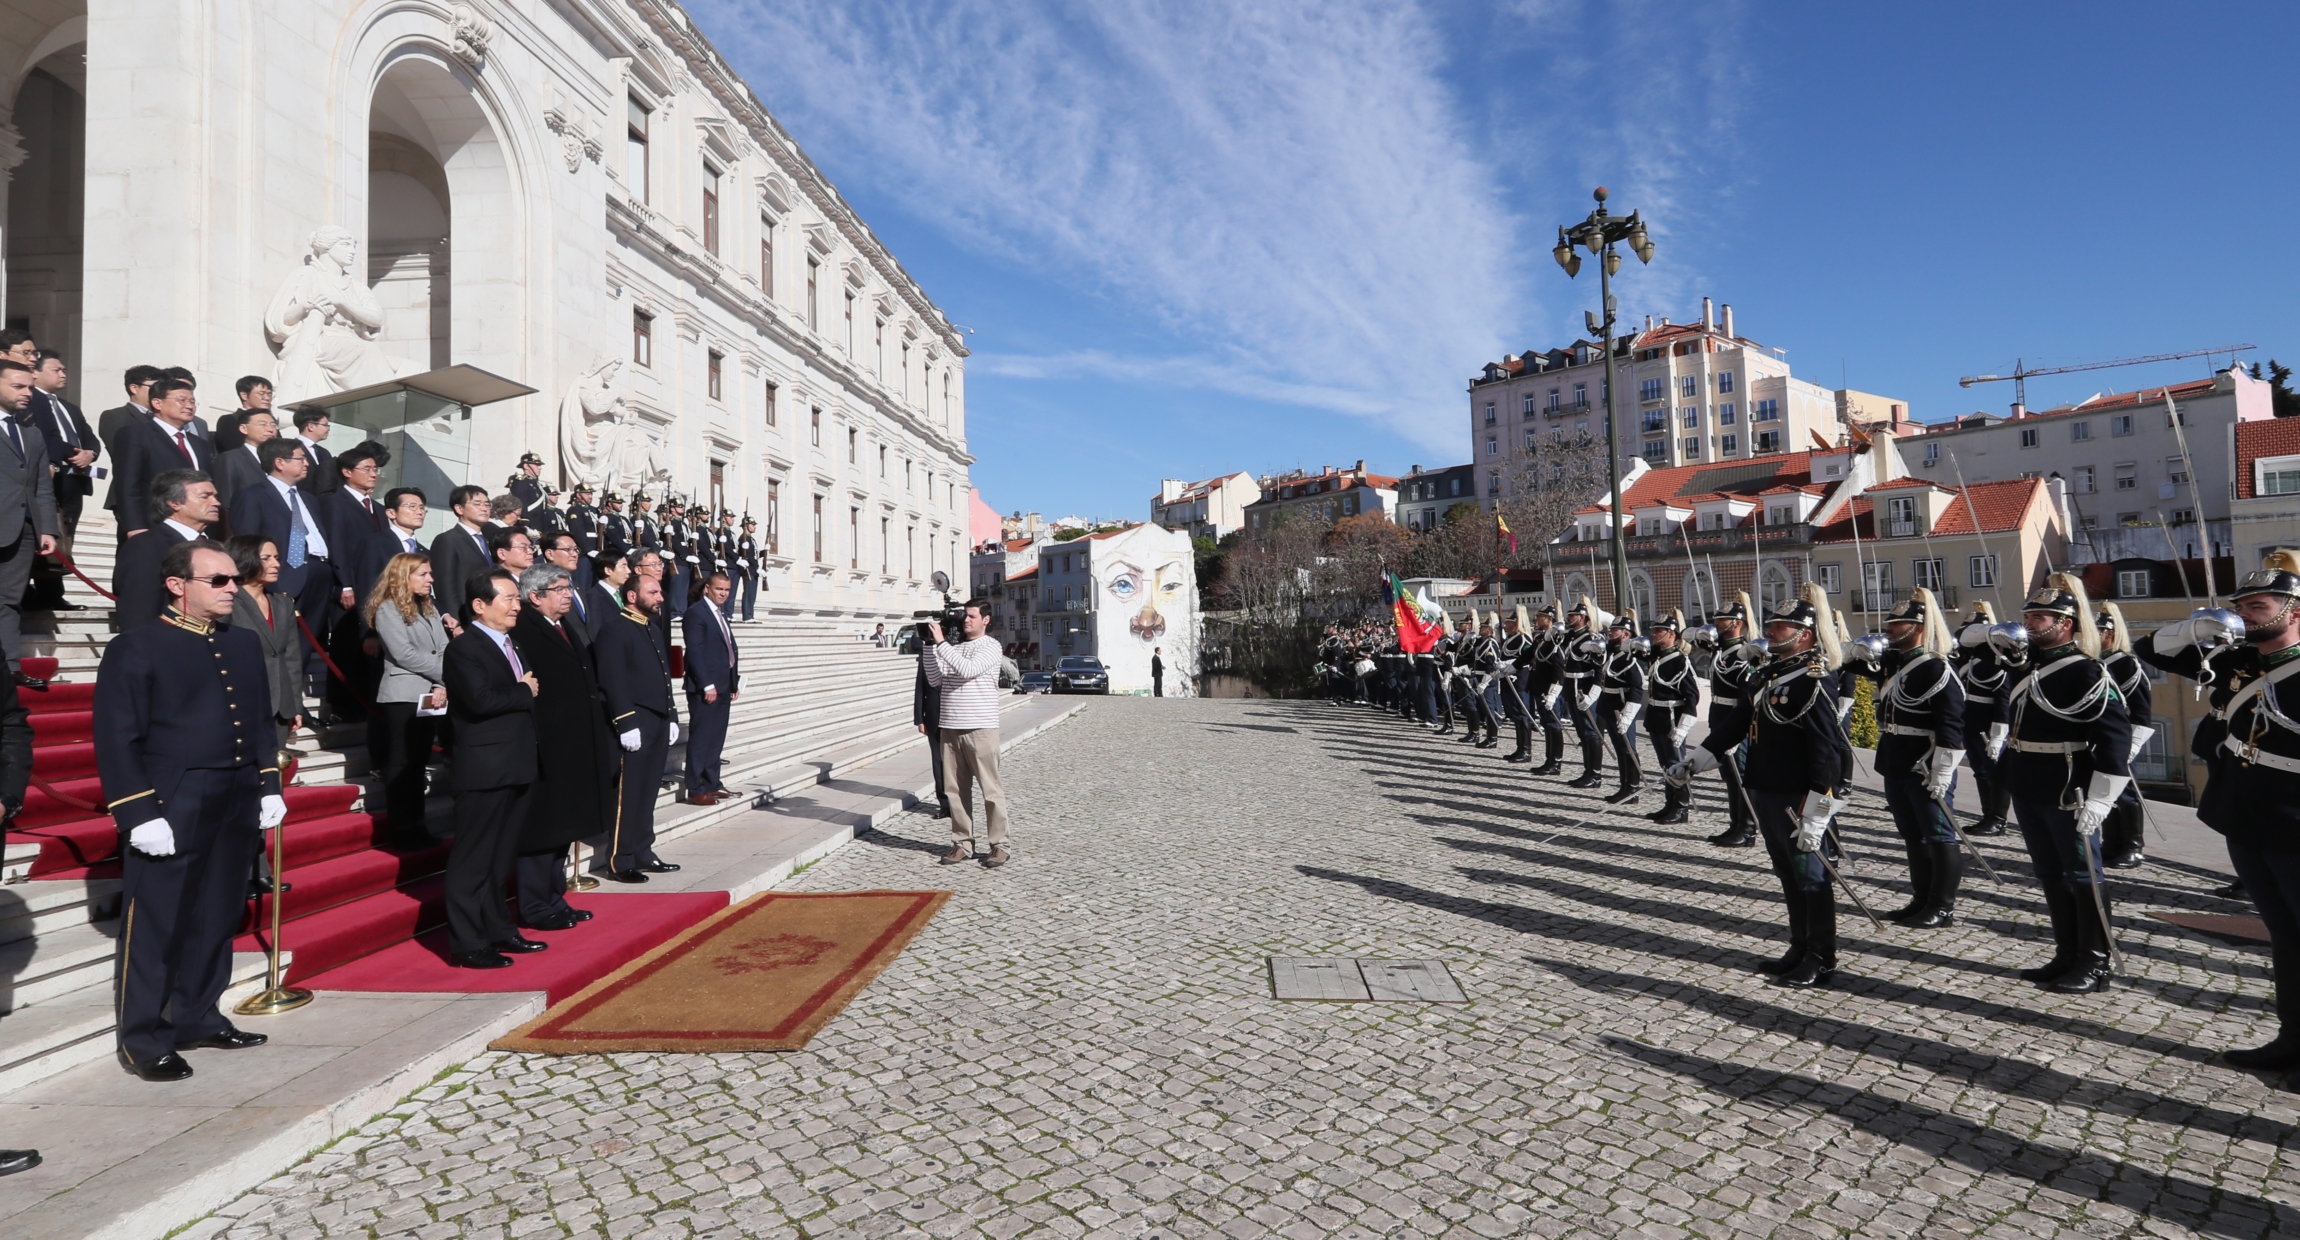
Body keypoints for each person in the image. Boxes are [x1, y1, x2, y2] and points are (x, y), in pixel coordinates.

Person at [96, 540, 288, 1080]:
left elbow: (258, 722)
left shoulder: (244, 645)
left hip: (235, 794)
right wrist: (137, 813)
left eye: (233, 579)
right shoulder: (137, 646)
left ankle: (199, 1016)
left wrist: (268, 782)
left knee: (218, 913)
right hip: (172, 799)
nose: (233, 589)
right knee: (158, 921)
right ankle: (143, 1038)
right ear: (178, 586)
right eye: (219, 581)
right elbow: (117, 738)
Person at [2138, 553, 2300, 1071]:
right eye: (2241, 607)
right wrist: (2193, 626)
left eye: (2258, 606)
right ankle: (2292, 1038)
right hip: (2245, 820)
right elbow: (2150, 650)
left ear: (2294, 610)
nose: (2246, 615)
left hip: (2296, 825)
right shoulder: (2234, 661)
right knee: (2284, 936)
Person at [1672, 584, 1850, 989]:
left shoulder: (1813, 679)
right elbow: (1734, 726)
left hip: (1800, 795)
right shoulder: (1768, 675)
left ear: (1803, 634)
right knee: (1787, 873)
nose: (1770, 632)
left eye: (1781, 627)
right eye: (1771, 625)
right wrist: (1696, 761)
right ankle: (1799, 945)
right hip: (1766, 790)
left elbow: (1827, 752)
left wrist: (1819, 812)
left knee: (1811, 877)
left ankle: (1822, 957)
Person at [1994, 574, 2132, 995]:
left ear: (2067, 623)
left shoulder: (2087, 671)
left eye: (2042, 618)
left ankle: (2094, 962)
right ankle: (2066, 952)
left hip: (2067, 784)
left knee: (2082, 875)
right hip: (2029, 781)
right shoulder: (2028, 664)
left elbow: (2114, 737)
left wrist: (2102, 799)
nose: (2032, 624)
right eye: (2030, 616)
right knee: (2051, 874)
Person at [439, 570, 542, 969]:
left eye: (518, 598)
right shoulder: (465, 648)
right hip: (484, 768)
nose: (517, 605)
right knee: (473, 860)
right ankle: (466, 941)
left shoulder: (511, 642)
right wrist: (523, 690)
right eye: (509, 598)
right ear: (479, 605)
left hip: (516, 763)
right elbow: (480, 700)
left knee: (500, 859)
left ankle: (498, 929)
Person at [1855, 590, 1967, 928]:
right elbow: (1850, 662)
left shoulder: (1936, 668)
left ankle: (1942, 905)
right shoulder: (1895, 661)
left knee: (1938, 835)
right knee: (1912, 835)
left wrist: (1943, 771)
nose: (1890, 627)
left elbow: (1951, 726)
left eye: (1898, 623)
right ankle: (1920, 898)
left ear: (1918, 627)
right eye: (1890, 622)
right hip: (1896, 759)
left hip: (1925, 762)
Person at [511, 562, 613, 931]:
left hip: (575, 742)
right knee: (543, 831)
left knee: (562, 830)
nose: (568, 594)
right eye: (559, 589)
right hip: (548, 745)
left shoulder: (564, 624)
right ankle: (536, 905)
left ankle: (555, 899)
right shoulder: (524, 629)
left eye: (569, 588)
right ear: (535, 596)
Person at [224, 534, 303, 897]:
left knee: (267, 793)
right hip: (239, 706)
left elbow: (289, 656)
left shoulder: (282, 603)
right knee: (241, 793)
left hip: (278, 707)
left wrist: (295, 704)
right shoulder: (228, 598)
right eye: (267, 557)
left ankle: (261, 868)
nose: (276, 564)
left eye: (276, 558)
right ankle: (238, 871)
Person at [228, 438, 338, 697]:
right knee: (277, 643)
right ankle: (269, 698)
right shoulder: (253, 495)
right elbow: (247, 541)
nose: (307, 463)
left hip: (319, 573)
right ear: (279, 462)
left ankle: (292, 700)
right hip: (283, 576)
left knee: (304, 645)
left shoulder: (308, 499)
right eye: (300, 458)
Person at [592, 570, 680, 881]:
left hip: (656, 719)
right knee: (629, 794)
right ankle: (621, 857)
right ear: (632, 596)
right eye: (653, 593)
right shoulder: (615, 630)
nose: (661, 598)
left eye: (659, 592)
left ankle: (644, 850)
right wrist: (626, 722)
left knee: (648, 791)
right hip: (635, 721)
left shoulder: (652, 629)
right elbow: (613, 681)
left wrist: (671, 715)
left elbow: (663, 677)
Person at [367, 552, 451, 842]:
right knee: (403, 760)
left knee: (419, 760)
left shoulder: (428, 609)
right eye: (424, 574)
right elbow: (403, 654)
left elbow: (442, 647)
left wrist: (442, 685)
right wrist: (444, 677)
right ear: (404, 577)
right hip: (402, 695)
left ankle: (418, 823)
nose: (431, 579)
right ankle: (402, 827)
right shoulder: (388, 609)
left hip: (432, 693)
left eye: (429, 574)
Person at [925, 599, 1010, 868]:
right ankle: (962, 844)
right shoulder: (954, 647)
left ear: (985, 619)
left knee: (990, 791)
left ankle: (999, 845)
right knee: (955, 791)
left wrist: (941, 645)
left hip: (980, 728)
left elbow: (968, 669)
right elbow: (935, 679)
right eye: (965, 616)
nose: (966, 621)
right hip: (950, 726)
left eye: (972, 616)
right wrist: (929, 646)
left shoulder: (991, 646)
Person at [24, 350, 96, 611]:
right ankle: (34, 591)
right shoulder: (31, 401)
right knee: (46, 534)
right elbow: (48, 438)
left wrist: (90, 452)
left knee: (67, 537)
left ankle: (52, 593)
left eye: (65, 369)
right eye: (57, 369)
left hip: (74, 482)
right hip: (49, 479)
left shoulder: (69, 407)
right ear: (36, 373)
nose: (63, 374)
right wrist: (70, 454)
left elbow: (89, 437)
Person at [0, 361, 58, 684]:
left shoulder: (31, 434)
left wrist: (47, 528)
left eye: (31, 387)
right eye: (18, 386)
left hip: (21, 531)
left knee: (9, 602)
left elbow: (41, 487)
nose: (28, 393)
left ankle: (9, 670)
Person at [113, 469, 219, 632]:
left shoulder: (215, 547)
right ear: (175, 502)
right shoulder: (146, 546)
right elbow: (138, 613)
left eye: (215, 496)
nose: (216, 503)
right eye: (205, 497)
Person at [111, 376, 214, 538]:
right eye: (182, 400)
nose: (189, 406)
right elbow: (127, 484)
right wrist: (135, 525)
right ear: (157, 403)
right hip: (153, 525)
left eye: (192, 402)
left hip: (195, 530)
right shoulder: (136, 435)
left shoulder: (199, 444)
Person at [2095, 604, 2154, 869]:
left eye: (2096, 630)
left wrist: (2132, 744)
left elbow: (2141, 708)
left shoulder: (2125, 663)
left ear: (2110, 633)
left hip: (2121, 737)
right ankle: (2111, 843)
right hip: (2097, 736)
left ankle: (2133, 846)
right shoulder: (2092, 662)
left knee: (2126, 793)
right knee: (2103, 790)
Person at [1954, 601, 2014, 837]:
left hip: (1988, 727)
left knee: (1994, 772)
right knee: (1980, 771)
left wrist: (1998, 736)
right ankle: (1986, 814)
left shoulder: (1997, 664)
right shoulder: (1967, 661)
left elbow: (2003, 702)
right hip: (1970, 724)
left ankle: (1997, 818)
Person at [680, 572, 741, 805]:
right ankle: (695, 788)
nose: (723, 594)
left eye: (727, 590)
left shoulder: (720, 613)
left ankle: (713, 783)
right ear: (707, 588)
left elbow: (728, 650)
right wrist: (707, 684)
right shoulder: (696, 613)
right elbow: (695, 652)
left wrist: (733, 682)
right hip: (706, 687)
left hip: (724, 685)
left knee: (716, 737)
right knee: (702, 737)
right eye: (719, 589)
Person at [1642, 611, 1700, 825]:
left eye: (1659, 631)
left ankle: (1681, 807)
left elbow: (1692, 697)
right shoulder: (1657, 656)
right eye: (1654, 630)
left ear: (1672, 634)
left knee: (1677, 765)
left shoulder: (1681, 662)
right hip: (1656, 716)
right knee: (1666, 765)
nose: (1654, 634)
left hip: (1672, 719)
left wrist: (1683, 728)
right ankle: (1669, 803)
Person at [1593, 613, 1647, 805]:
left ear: (1626, 634)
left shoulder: (1631, 656)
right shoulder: (1612, 652)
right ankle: (1624, 786)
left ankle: (1632, 789)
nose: (1610, 632)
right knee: (1619, 746)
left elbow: (1636, 688)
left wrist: (1628, 714)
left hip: (1622, 707)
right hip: (1609, 705)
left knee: (1627, 748)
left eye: (1615, 630)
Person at [1556, 599, 1607, 787]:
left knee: (1590, 732)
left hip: (1584, 688)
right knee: (1581, 732)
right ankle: (1587, 771)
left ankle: (1595, 774)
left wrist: (1592, 694)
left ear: (1582, 617)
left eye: (1573, 616)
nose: (1569, 618)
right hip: (1571, 686)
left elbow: (1599, 670)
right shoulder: (1571, 636)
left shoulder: (1592, 639)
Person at [428, 484, 493, 613]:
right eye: (477, 504)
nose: (484, 508)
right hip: (466, 614)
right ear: (459, 508)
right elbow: (445, 586)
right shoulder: (447, 540)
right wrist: (456, 619)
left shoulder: (487, 539)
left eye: (487, 504)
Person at [96, 363, 164, 481]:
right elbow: (124, 457)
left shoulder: (165, 416)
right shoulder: (115, 416)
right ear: (134, 388)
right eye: (154, 387)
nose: (158, 392)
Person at [212, 407, 276, 515]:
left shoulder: (280, 459)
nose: (270, 429)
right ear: (243, 428)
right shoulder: (230, 458)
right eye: (262, 424)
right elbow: (226, 501)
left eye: (273, 425)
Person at [913, 648, 952, 818]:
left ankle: (957, 803)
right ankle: (944, 804)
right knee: (938, 762)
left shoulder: (954, 653)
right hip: (933, 718)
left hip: (954, 717)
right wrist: (919, 719)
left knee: (955, 763)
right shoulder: (925, 658)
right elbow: (919, 690)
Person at [587, 547, 631, 640]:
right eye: (623, 567)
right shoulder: (593, 598)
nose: (628, 571)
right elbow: (597, 632)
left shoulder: (624, 594)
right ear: (608, 570)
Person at [290, 408, 334, 494]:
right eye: (325, 425)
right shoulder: (291, 449)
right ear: (311, 426)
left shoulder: (324, 452)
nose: (328, 429)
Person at [383, 486, 429, 555]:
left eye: (422, 508)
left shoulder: (426, 553)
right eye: (412, 506)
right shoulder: (375, 544)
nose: (420, 512)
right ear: (391, 513)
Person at [735, 515, 760, 620]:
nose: (755, 526)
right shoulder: (744, 538)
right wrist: (756, 566)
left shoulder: (750, 539)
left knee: (752, 593)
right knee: (748, 592)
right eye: (752, 524)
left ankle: (750, 614)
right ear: (746, 526)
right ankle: (747, 615)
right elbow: (748, 555)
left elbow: (754, 554)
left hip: (753, 569)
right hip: (748, 569)